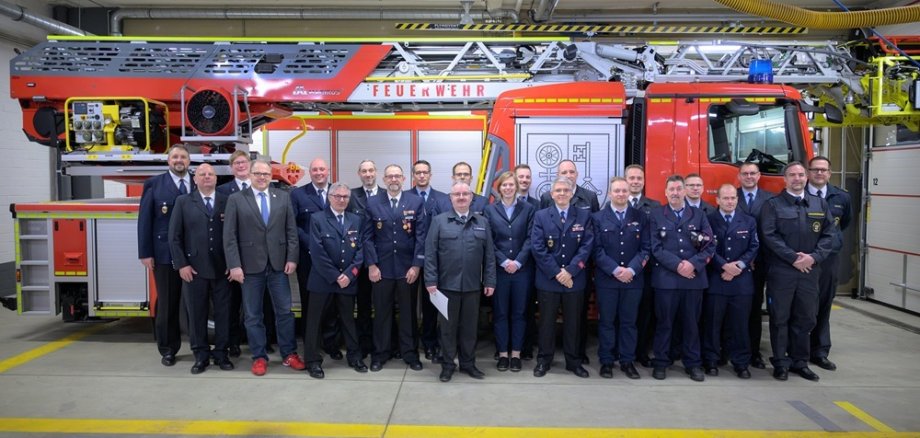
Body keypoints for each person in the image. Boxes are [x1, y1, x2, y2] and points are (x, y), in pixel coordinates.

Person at [223, 159, 305, 376]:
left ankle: (289, 353)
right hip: (249, 268)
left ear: (271, 176)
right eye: (257, 173)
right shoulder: (236, 199)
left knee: (285, 312)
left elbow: (291, 232)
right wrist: (234, 265)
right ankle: (259, 357)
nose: (262, 177)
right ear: (250, 174)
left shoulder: (283, 198)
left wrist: (292, 258)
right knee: (252, 315)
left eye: (266, 174)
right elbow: (229, 236)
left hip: (278, 266)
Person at [760, 161, 835, 382]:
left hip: (809, 271)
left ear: (807, 177)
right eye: (792, 175)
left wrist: (813, 257)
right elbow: (769, 236)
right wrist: (793, 258)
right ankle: (781, 362)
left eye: (801, 174)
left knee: (805, 318)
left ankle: (799, 362)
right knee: (780, 318)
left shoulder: (820, 205)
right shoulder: (772, 205)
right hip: (782, 272)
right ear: (785, 179)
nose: (797, 178)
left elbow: (830, 235)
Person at [425, 181, 497, 382]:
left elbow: (489, 256)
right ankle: (448, 365)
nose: (461, 197)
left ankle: (468, 364)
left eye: (465, 194)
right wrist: (430, 280)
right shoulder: (439, 221)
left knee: (469, 328)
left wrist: (490, 281)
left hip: (473, 286)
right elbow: (430, 254)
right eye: (457, 194)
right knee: (447, 329)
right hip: (446, 286)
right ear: (451, 198)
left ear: (472, 197)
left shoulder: (482, 223)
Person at [167, 163, 233, 374]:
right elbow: (174, 237)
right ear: (195, 179)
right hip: (193, 270)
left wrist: (234, 264)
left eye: (211, 174)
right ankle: (201, 356)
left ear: (216, 179)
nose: (207, 177)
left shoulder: (227, 201)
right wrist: (182, 265)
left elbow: (235, 235)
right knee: (196, 315)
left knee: (224, 314)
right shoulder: (183, 202)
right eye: (202, 174)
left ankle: (222, 354)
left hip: (223, 269)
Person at [649, 175, 715, 382]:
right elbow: (655, 248)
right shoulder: (656, 215)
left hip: (693, 279)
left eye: (679, 189)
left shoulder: (699, 215)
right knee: (664, 323)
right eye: (672, 189)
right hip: (666, 280)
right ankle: (661, 362)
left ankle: (693, 364)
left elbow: (710, 244)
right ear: (665, 192)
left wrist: (692, 264)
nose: (676, 193)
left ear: (685, 191)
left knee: (691, 324)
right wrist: (678, 265)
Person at [364, 164, 427, 372]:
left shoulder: (415, 202)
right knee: (381, 313)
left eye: (397, 176)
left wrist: (417, 266)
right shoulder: (373, 203)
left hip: (407, 269)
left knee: (409, 314)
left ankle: (410, 354)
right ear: (384, 179)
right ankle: (380, 354)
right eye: (390, 176)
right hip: (381, 270)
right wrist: (372, 265)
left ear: (404, 179)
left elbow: (421, 237)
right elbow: (367, 237)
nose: (393, 180)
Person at [531, 177, 595, 379]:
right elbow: (538, 247)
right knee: (547, 323)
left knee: (573, 323)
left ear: (572, 194)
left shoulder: (583, 216)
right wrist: (558, 273)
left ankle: (573, 361)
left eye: (565, 190)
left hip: (574, 280)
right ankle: (544, 360)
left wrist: (571, 271)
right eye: (558, 190)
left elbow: (587, 246)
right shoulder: (541, 216)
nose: (561, 193)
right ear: (552, 194)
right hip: (549, 280)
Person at [304, 183, 367, 379]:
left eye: (345, 197)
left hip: (347, 280)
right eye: (337, 196)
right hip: (322, 281)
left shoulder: (355, 220)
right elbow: (317, 251)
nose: (341, 200)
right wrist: (335, 276)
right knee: (314, 322)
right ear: (329, 197)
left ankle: (355, 357)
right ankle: (312, 361)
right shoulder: (317, 219)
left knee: (348, 320)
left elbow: (360, 251)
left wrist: (349, 274)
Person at [138, 144, 192, 367]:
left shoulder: (198, 182)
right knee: (168, 303)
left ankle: (198, 346)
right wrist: (146, 252)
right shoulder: (154, 184)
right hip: (164, 254)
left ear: (189, 161)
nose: (179, 160)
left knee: (195, 304)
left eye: (183, 157)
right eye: (175, 157)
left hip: (194, 254)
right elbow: (145, 221)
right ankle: (168, 349)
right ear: (168, 161)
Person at [592, 177, 649, 379]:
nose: (621, 194)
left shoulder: (641, 217)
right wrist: (616, 270)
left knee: (629, 323)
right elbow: (596, 250)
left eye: (624, 191)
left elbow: (646, 248)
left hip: (633, 280)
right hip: (607, 280)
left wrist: (631, 270)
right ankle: (606, 361)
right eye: (617, 191)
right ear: (609, 193)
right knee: (607, 322)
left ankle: (627, 361)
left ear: (629, 193)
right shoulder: (598, 218)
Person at [703, 184, 759, 379]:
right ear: (717, 200)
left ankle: (741, 363)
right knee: (712, 324)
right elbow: (705, 247)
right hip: (716, 280)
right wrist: (723, 267)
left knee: (740, 325)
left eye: (733, 198)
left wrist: (739, 266)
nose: (730, 201)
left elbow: (754, 246)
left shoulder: (749, 221)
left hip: (741, 282)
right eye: (725, 198)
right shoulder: (708, 220)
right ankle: (710, 360)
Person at [290, 158, 342, 360]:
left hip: (335, 259)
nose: (319, 172)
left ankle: (331, 344)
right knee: (310, 302)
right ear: (309, 172)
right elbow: (293, 225)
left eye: (322, 169)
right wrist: (312, 244)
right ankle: (311, 344)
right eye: (315, 169)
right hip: (309, 259)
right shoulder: (298, 194)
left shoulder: (339, 191)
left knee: (333, 303)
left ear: (328, 170)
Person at [484, 171, 535, 372]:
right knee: (501, 313)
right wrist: (504, 261)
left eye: (511, 185)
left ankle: (516, 353)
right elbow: (488, 240)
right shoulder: (490, 210)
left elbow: (531, 238)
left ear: (516, 187)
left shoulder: (528, 209)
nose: (508, 188)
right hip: (500, 270)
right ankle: (503, 354)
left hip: (522, 271)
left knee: (520, 313)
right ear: (499, 187)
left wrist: (518, 261)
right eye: (504, 185)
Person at [807, 156, 852, 372]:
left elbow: (842, 224)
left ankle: (820, 351)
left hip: (828, 259)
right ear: (809, 172)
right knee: (802, 306)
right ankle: (797, 349)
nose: (819, 173)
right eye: (815, 170)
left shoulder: (841, 197)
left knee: (824, 305)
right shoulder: (799, 195)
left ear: (829, 173)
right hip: (803, 260)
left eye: (823, 170)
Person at [407, 160, 452, 362]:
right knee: (407, 304)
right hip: (409, 261)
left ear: (431, 175)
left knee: (431, 304)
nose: (422, 176)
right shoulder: (404, 198)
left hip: (436, 260)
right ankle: (408, 344)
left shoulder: (443, 199)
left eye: (425, 172)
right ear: (413, 176)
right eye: (418, 173)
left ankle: (430, 343)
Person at [736, 162, 775, 370]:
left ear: (759, 176)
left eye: (753, 173)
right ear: (739, 176)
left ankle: (753, 352)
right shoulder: (730, 195)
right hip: (736, 264)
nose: (749, 176)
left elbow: (772, 231)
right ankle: (731, 349)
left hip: (759, 263)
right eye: (745, 173)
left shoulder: (769, 199)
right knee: (734, 310)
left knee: (754, 308)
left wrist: (754, 256)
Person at [216, 150, 255, 358]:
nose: (241, 166)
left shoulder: (261, 187)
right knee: (233, 304)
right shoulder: (222, 191)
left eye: (244, 162)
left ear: (250, 165)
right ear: (231, 168)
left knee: (258, 304)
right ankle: (233, 343)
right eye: (237, 163)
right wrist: (231, 262)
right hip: (233, 257)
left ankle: (260, 342)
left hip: (256, 257)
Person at [624, 164, 662, 367]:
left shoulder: (655, 207)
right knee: (623, 315)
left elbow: (655, 240)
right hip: (620, 272)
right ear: (625, 180)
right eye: (632, 178)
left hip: (645, 270)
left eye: (639, 178)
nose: (635, 181)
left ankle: (642, 352)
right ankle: (620, 351)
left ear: (644, 181)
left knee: (645, 313)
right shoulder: (614, 203)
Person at [348, 160, 384, 358]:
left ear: (376, 172)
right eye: (364, 171)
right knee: (362, 305)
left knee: (384, 306)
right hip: (360, 261)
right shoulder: (352, 196)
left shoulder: (387, 194)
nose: (368, 174)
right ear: (359, 174)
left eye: (371, 170)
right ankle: (364, 345)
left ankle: (385, 344)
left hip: (384, 261)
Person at [514, 163, 540, 360]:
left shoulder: (538, 205)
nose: (524, 180)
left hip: (529, 266)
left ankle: (527, 347)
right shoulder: (498, 205)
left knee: (527, 308)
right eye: (520, 177)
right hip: (505, 266)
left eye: (527, 177)